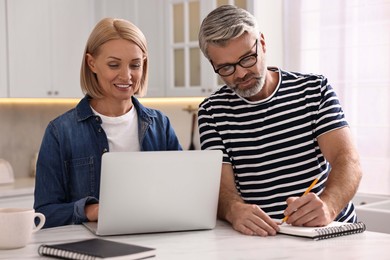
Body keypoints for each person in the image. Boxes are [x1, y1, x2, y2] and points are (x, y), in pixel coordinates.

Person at [197, 5, 362, 237]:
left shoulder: (314, 90)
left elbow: (348, 160)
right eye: (225, 67)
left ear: (262, 43)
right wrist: (234, 210)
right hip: (266, 239)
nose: (240, 74)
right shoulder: (212, 111)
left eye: (247, 59)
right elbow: (222, 189)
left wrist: (329, 205)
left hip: (330, 232)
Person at [34, 18, 182, 228]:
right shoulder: (60, 132)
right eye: (114, 65)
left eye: (135, 65)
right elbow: (43, 213)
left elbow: (182, 193)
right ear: (91, 63)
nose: (126, 75)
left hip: (155, 241)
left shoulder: (161, 125)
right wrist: (91, 210)